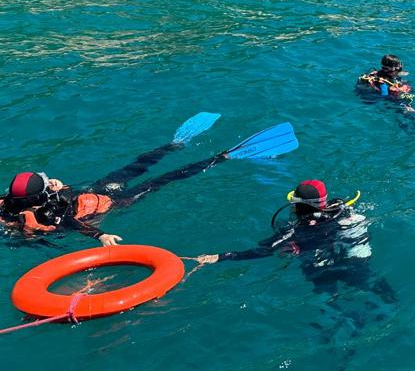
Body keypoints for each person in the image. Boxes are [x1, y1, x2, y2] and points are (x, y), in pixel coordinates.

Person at [0, 114, 296, 245]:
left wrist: (58, 187)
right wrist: (100, 236)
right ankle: (217, 156)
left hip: (91, 192)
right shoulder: (48, 213)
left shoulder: (8, 205)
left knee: (136, 168)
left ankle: (176, 146)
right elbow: (72, 224)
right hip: (113, 201)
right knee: (161, 178)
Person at [195, 180, 393, 301]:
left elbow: (264, 251)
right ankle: (389, 299)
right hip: (354, 258)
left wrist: (221, 257)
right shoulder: (339, 208)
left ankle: (335, 311)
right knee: (369, 281)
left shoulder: (295, 230)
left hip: (320, 266)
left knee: (327, 295)